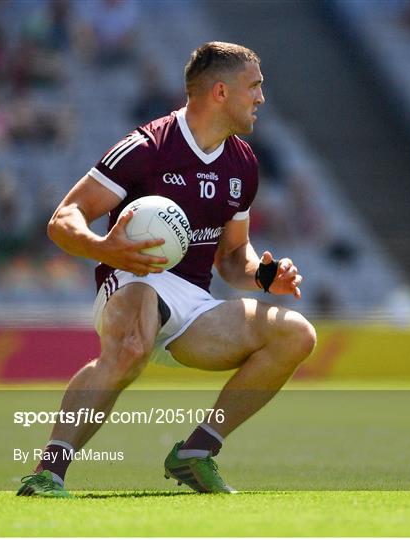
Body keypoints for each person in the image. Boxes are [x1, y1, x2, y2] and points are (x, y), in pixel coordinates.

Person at [17, 41, 316, 497]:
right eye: (254, 86)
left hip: (192, 303)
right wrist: (105, 248)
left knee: (297, 334)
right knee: (129, 347)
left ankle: (196, 453)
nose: (261, 98)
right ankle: (47, 473)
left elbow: (234, 258)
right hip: (132, 279)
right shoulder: (147, 146)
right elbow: (64, 218)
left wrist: (263, 276)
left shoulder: (243, 163)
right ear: (220, 91)